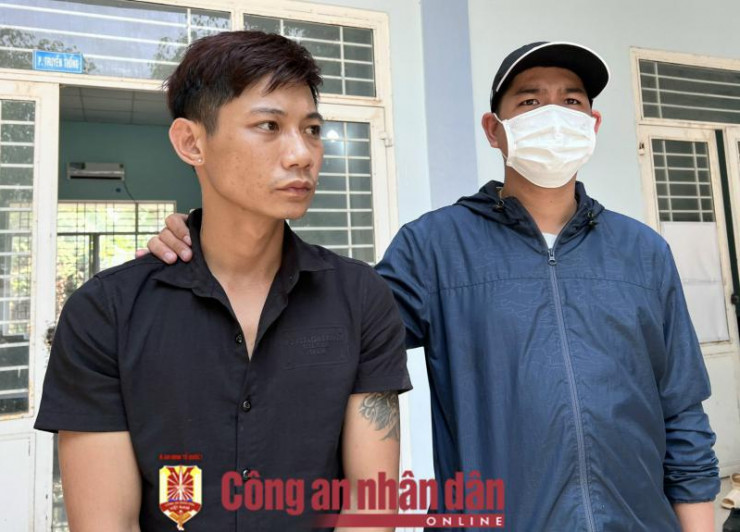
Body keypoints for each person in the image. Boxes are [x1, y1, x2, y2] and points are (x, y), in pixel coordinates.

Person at [146, 41, 720, 531]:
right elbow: (327, 332)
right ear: (494, 130)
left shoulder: (643, 252)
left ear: (592, 124)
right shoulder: (435, 247)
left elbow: (682, 413)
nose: (554, 115)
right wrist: (212, 244)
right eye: (529, 101)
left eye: (572, 101)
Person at [35, 31, 411, 532]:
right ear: (192, 143)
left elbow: (371, 502)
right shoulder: (106, 312)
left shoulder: (361, 298)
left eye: (313, 129)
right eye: (269, 125)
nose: (302, 154)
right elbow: (106, 522)